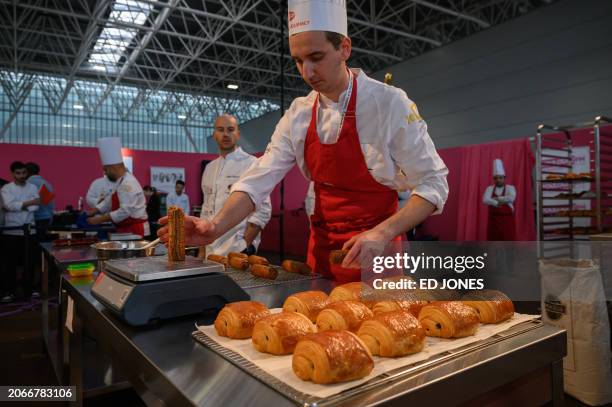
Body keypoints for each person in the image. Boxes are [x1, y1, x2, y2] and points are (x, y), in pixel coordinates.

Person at [159, 1, 448, 282]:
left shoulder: (388, 103)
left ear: (344, 48)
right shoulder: (298, 114)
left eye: (316, 57)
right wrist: (213, 226)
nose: (306, 73)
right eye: (298, 61)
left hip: (378, 254)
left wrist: (383, 232)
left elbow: (434, 184)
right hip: (321, 256)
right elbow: (258, 180)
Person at [198, 114, 272, 256]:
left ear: (237, 134)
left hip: (237, 249)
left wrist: (245, 243)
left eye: (230, 129)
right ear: (214, 135)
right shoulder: (209, 168)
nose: (225, 134)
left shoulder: (251, 163)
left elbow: (263, 208)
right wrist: (202, 249)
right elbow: (206, 210)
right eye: (220, 130)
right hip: (210, 250)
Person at [87, 137, 149, 237]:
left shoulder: (128, 184)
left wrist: (100, 219)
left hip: (136, 231)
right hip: (126, 229)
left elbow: (125, 211)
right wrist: (96, 210)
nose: (105, 174)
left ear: (112, 168)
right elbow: (109, 200)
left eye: (106, 170)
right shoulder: (120, 181)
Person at [1, 161, 40, 302]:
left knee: (29, 263)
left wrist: (19, 205)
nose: (22, 176)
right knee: (9, 264)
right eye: (18, 173)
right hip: (11, 231)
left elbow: (36, 206)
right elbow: (9, 205)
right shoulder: (6, 188)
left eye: (24, 173)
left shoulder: (33, 186)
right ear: (12, 174)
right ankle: (9, 291)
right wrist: (28, 203)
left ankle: (29, 290)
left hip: (29, 231)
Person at [483, 159, 516, 241]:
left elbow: (511, 198)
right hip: (493, 222)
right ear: (493, 179)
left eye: (500, 178)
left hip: (507, 221)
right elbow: (485, 200)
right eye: (496, 178)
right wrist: (496, 203)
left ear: (504, 178)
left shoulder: (510, 188)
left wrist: (497, 198)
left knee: (508, 242)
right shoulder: (489, 188)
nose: (498, 180)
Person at [26, 162, 55, 241]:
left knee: (35, 246)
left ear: (27, 172)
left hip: (37, 220)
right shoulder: (47, 183)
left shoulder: (29, 184)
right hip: (47, 218)